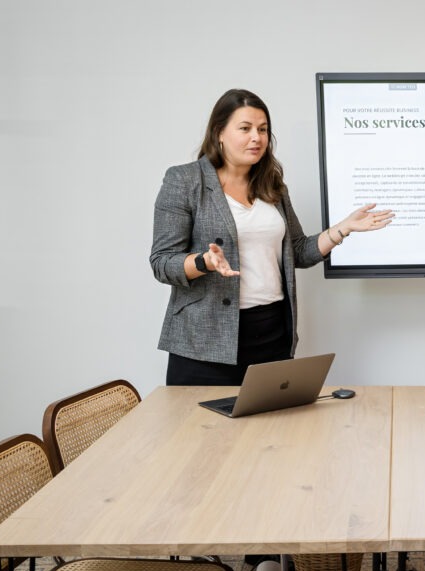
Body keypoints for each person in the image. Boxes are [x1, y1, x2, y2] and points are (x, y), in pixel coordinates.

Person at [150, 88, 394, 386]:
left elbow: (299, 251)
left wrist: (342, 228)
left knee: (272, 431)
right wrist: (204, 261)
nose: (257, 137)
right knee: (204, 431)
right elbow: (162, 263)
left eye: (263, 130)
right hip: (206, 343)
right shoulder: (185, 180)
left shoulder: (271, 185)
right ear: (219, 133)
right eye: (245, 128)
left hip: (271, 334)